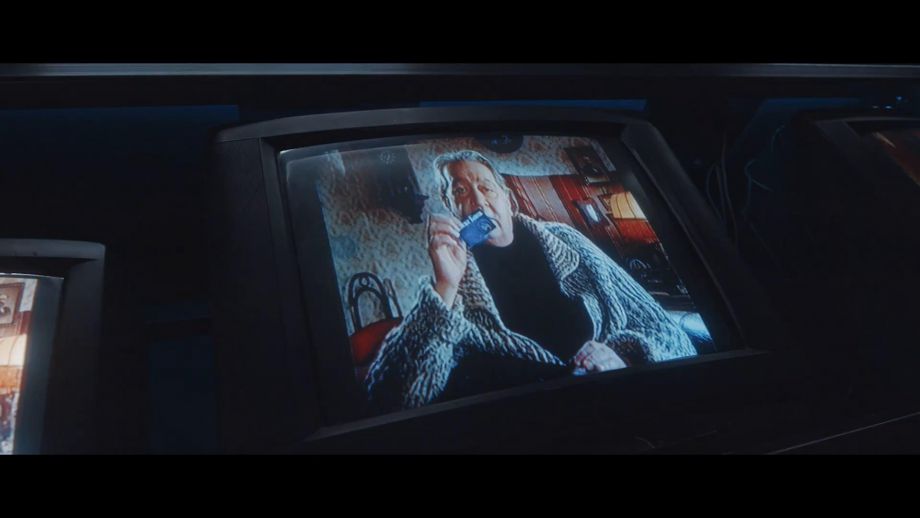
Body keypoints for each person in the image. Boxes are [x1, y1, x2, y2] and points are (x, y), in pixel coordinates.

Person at [364, 150, 696, 412]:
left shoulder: (567, 241)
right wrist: (446, 287)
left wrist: (625, 357)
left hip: (624, 405)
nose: (478, 201)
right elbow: (390, 399)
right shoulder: (449, 282)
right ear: (452, 207)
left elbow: (665, 331)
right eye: (460, 191)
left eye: (485, 187)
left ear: (508, 199)